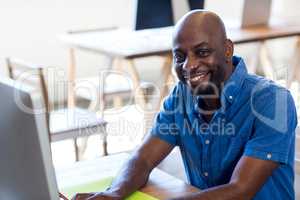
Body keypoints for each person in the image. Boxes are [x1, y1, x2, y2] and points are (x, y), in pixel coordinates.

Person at [72, 10, 298, 200]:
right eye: (179, 57)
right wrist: (114, 193)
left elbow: (241, 189)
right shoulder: (182, 96)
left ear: (228, 50)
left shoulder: (272, 101)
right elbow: (143, 158)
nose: (188, 66)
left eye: (202, 52)